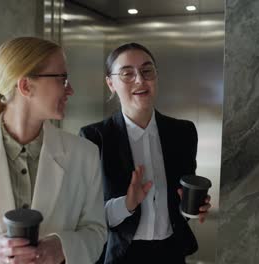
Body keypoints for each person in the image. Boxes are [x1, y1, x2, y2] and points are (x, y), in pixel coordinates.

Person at [0, 37, 106, 264]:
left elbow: (96, 231)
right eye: (62, 79)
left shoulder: (85, 154)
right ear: (25, 86)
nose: (70, 89)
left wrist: (63, 247)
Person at [80, 43, 212, 264]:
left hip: (171, 253)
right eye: (127, 74)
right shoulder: (95, 138)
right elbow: (85, 217)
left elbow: (181, 198)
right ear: (110, 83)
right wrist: (128, 203)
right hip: (119, 255)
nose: (140, 80)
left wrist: (192, 206)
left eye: (147, 71)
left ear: (156, 76)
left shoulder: (183, 132)